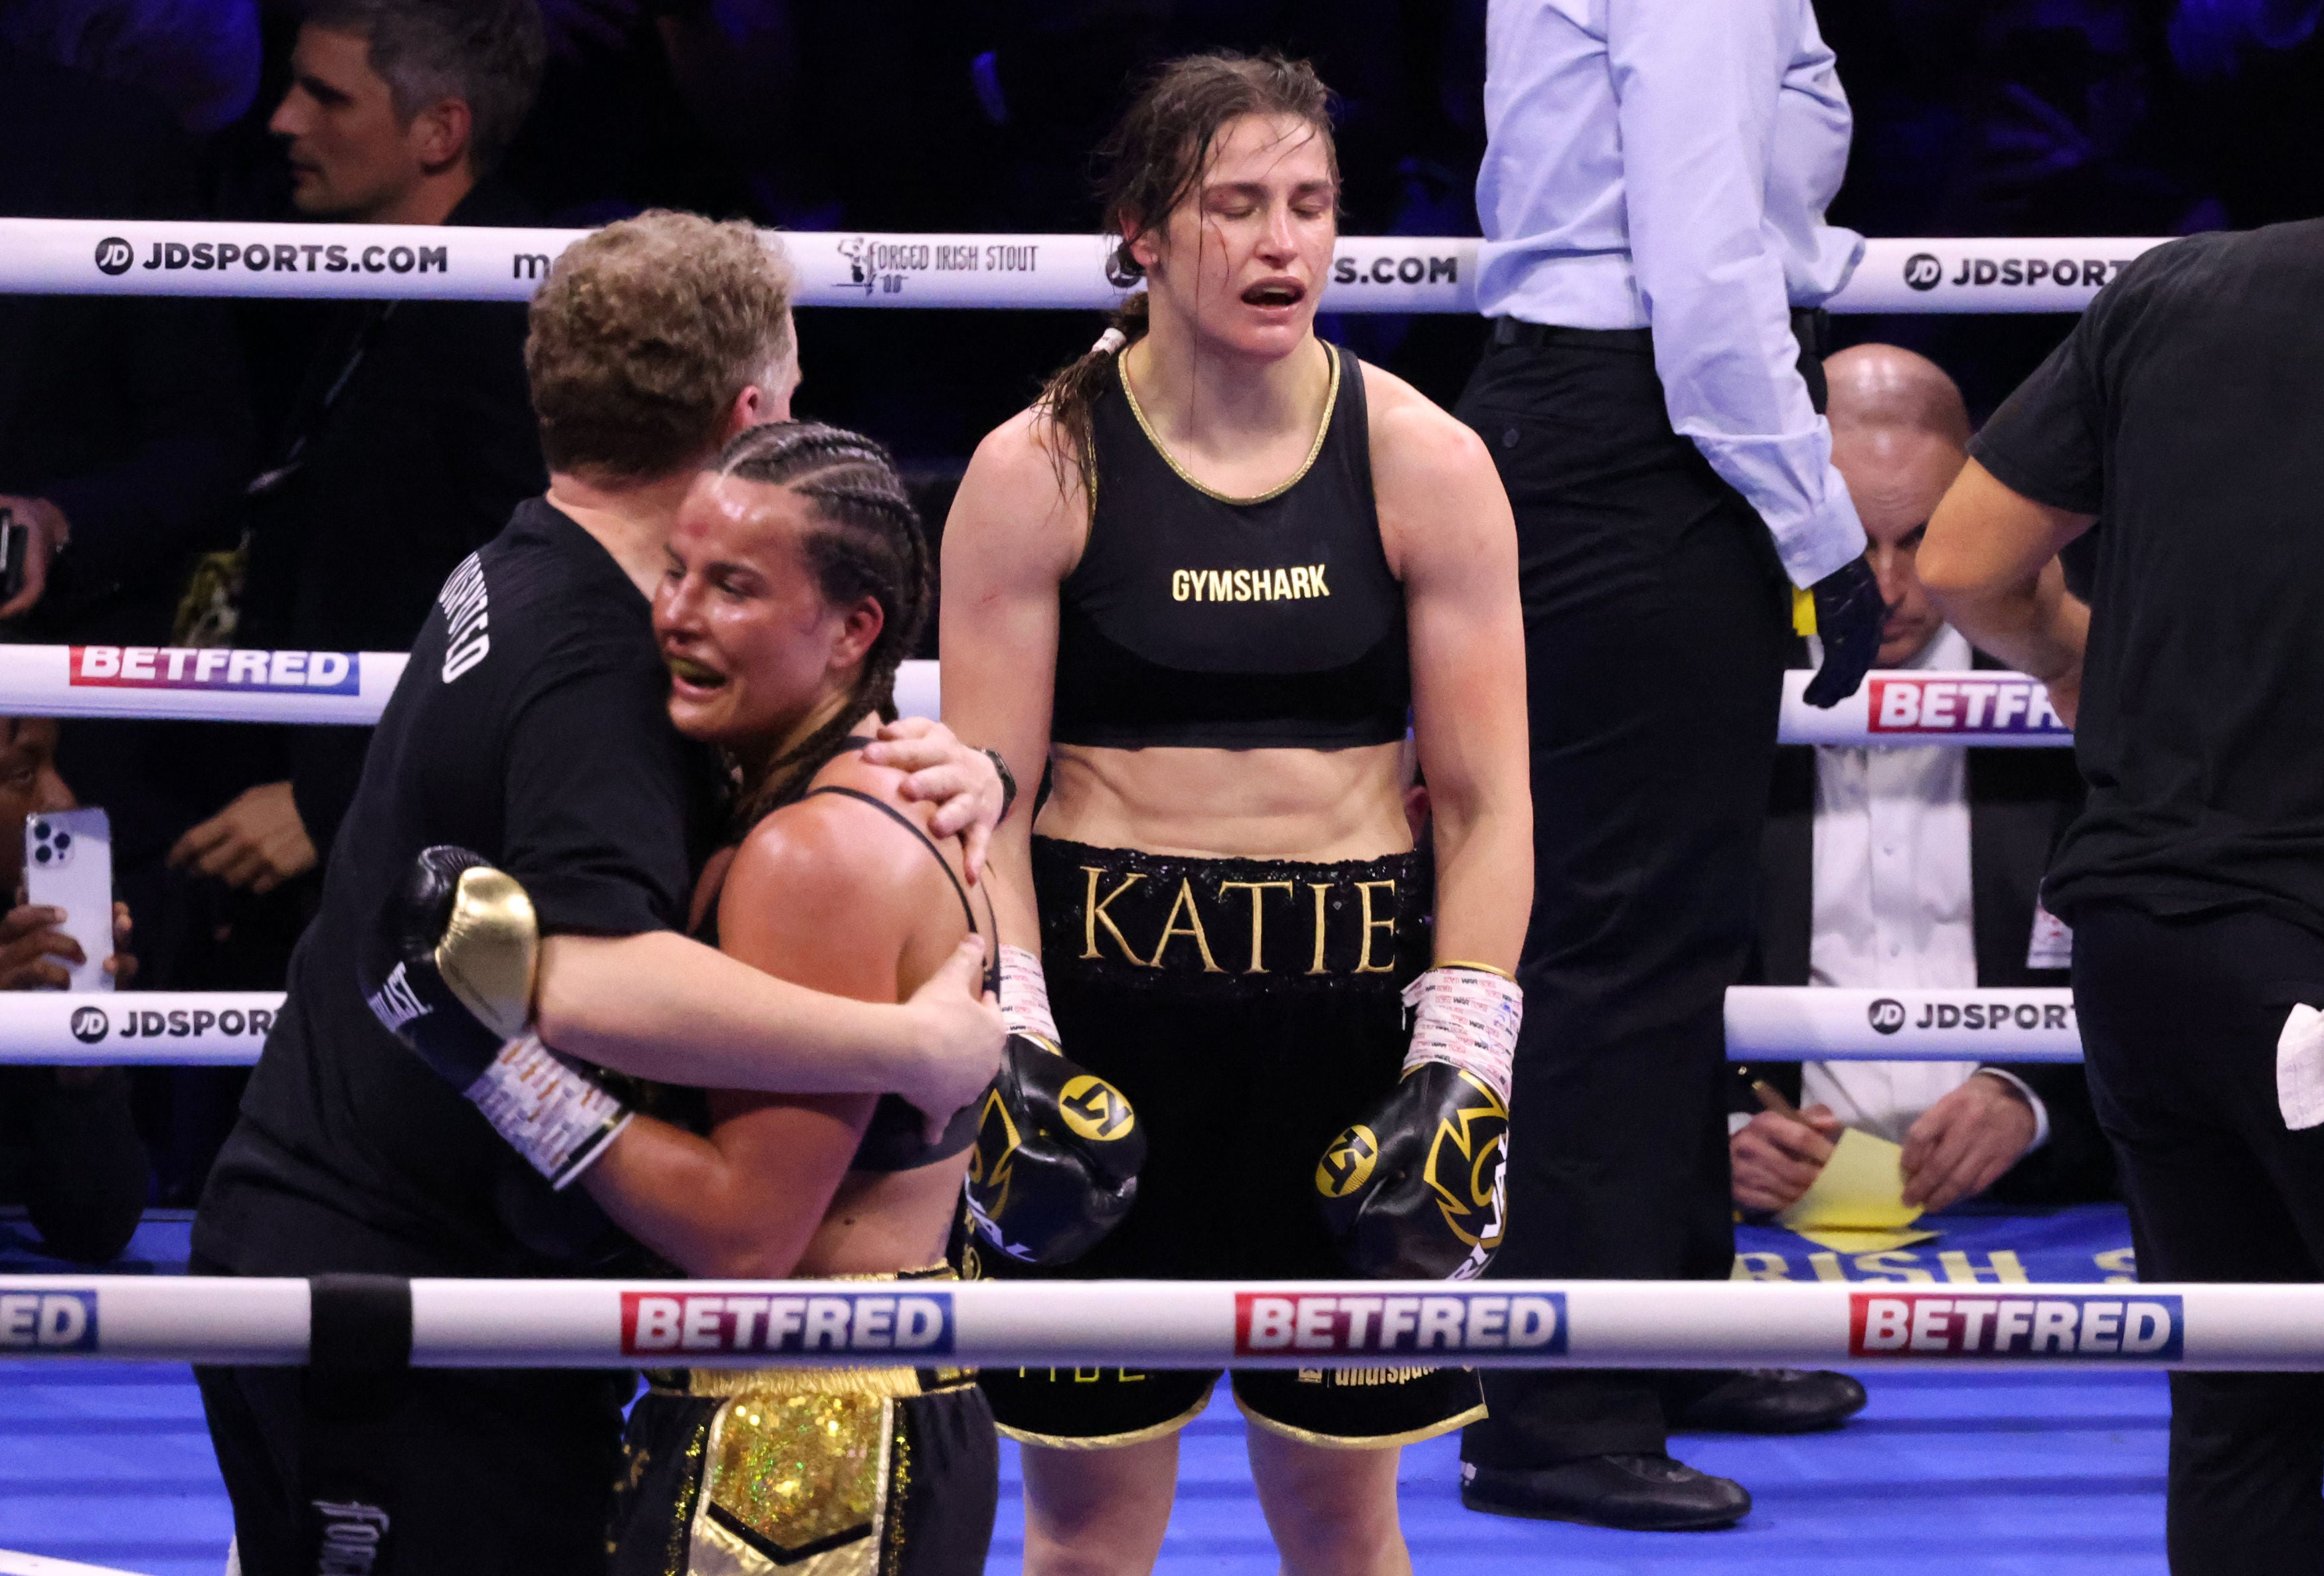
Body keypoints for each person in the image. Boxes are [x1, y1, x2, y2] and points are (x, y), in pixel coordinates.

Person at [192, 211, 1007, 1576]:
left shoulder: (525, 572)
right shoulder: (601, 670)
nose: (692, 608)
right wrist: (914, 1046)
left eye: (731, 583)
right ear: (749, 415)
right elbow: (582, 973)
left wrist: (964, 766)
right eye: (792, 391)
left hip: (435, 1267)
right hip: (404, 1281)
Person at [942, 52, 1531, 1576]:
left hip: (1347, 1031)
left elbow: (1483, 801)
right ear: (1142, 230)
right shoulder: (1038, 467)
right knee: (1084, 1524)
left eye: (1312, 205)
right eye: (1237, 206)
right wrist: (1019, 1037)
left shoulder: (1427, 462)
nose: (1282, 243)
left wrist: (1461, 1066)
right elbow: (980, 804)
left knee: (1347, 1517)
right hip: (1112, 1023)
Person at [1453, 0, 1884, 1529]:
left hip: (1632, 423)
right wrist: (1822, 526)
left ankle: (1664, 1331)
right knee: (1621, 929)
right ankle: (1556, 1409)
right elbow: (1702, 267)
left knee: (1674, 917)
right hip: (1649, 427)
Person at [1918, 222, 2324, 1576]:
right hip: (2302, 948)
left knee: (2237, 1407)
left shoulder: (2178, 287)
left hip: (2140, 945)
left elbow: (1964, 561)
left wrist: (2075, 656)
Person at [591, 422, 998, 1576]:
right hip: (860, 1395)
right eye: (675, 569)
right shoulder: (876, 788)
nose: (679, 612)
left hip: (801, 1424)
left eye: (734, 587)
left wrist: (507, 1071)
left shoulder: (811, 856)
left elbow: (748, 1228)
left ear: (853, 629)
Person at [167, 0, 551, 933]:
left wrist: (331, 799)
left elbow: (537, 599)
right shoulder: (384, 295)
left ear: (439, 131)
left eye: (325, 96)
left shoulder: (501, 315)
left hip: (414, 862)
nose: (282, 119)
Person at [1730, 345, 2111, 1219]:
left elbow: (2164, 977)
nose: (1892, 586)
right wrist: (1718, 1132)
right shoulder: (1719, 694)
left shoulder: (2076, 683)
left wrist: (2032, 1097)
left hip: (2047, 1210)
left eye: (1924, 538)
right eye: (1856, 544)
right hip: (1780, 1224)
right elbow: (1642, 964)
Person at [0, 715, 147, 1267]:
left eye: (53, 764)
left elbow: (95, 1231)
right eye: (20, 774)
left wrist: (82, 1063)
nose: (60, 799)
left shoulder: (30, 942)